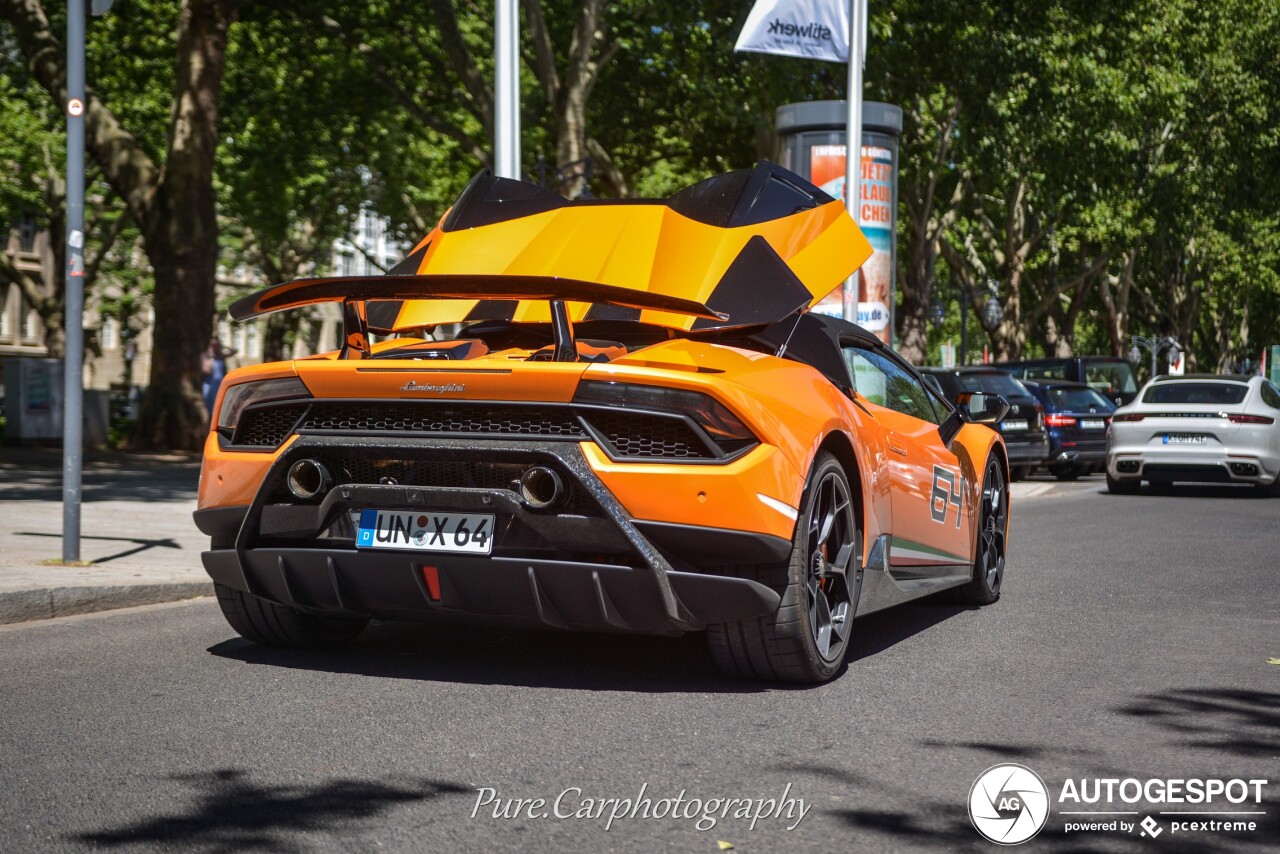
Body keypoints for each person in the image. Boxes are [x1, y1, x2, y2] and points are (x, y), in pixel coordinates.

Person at [202, 337, 238, 417]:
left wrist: (223, 346)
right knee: (209, 409)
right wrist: (211, 358)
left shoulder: (221, 355)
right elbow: (205, 371)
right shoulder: (205, 356)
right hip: (209, 385)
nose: (214, 347)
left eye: (216, 345)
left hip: (220, 385)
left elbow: (235, 350)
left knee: (220, 406)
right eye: (213, 345)